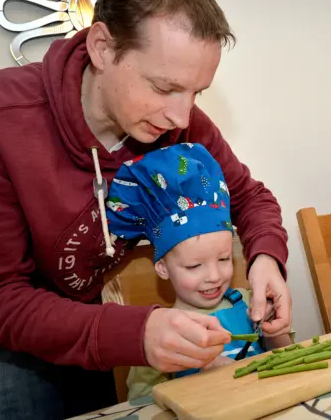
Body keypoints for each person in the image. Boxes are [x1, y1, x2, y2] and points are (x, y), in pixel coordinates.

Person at [0, 0, 291, 418]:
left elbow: (250, 197)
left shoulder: (180, 126)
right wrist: (135, 331)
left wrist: (266, 258)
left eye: (196, 92)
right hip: (2, 347)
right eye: (164, 87)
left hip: (91, 327)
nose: (181, 117)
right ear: (103, 48)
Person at [104, 143, 293, 400]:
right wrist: (199, 381)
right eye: (194, 266)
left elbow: (289, 363)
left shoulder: (250, 303)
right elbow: (141, 402)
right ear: (162, 268)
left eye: (225, 258)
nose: (214, 276)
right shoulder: (158, 332)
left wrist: (275, 335)